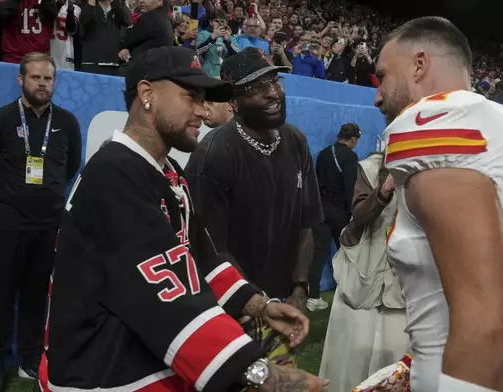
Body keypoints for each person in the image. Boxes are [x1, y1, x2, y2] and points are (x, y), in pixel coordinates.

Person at [39, 46, 327, 392]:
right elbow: (166, 296)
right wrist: (262, 375)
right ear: (147, 94)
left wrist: (260, 305)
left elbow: (199, 257)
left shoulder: (168, 172)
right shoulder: (114, 174)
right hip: (104, 374)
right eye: (190, 96)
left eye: (205, 99)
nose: (203, 111)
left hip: (139, 361)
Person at [375, 17, 503, 391]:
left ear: (419, 64)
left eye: (382, 75)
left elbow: (488, 332)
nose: (377, 95)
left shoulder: (435, 123)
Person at [185, 48, 323, 315]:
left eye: (274, 82)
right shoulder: (214, 153)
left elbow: (306, 224)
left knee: (279, 359)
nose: (273, 92)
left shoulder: (296, 140)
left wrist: (299, 288)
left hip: (282, 301)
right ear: (233, 101)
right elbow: (209, 248)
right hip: (228, 307)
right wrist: (255, 304)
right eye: (257, 86)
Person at [0, 52, 81, 389]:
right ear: (21, 80)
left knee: (36, 297)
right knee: (1, 295)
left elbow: (72, 165)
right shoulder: (3, 119)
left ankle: (30, 361)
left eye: (47, 78)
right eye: (35, 78)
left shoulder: (67, 122)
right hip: (7, 224)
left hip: (48, 226)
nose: (42, 84)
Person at [319, 151, 408, 392]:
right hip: (361, 277)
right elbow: (359, 215)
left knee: (394, 365)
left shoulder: (433, 170)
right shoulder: (370, 167)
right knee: (348, 364)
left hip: (403, 288)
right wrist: (384, 189)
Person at [307, 123, 360, 311]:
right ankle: (346, 293)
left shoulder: (322, 154)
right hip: (339, 211)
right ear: (353, 139)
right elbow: (350, 188)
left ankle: (313, 297)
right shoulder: (350, 157)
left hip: (320, 209)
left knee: (318, 253)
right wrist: (353, 214)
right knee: (346, 252)